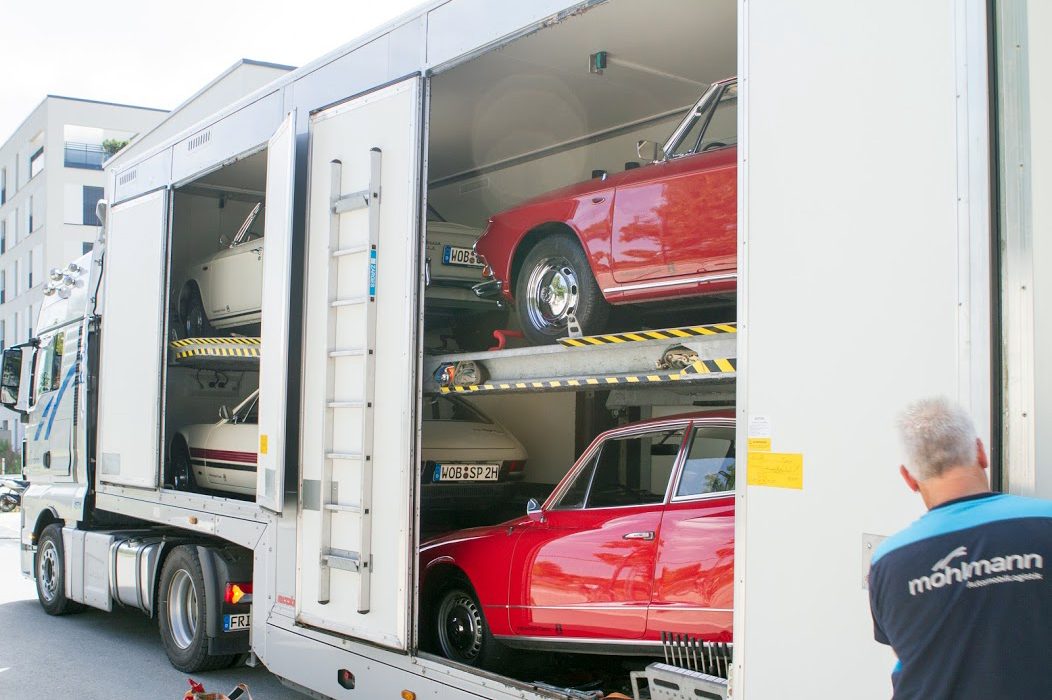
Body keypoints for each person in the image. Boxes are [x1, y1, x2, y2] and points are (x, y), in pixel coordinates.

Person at [868, 397, 1052, 699]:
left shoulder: (889, 560)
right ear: (980, 452)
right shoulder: (1046, 521)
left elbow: (908, 651)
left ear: (909, 478)